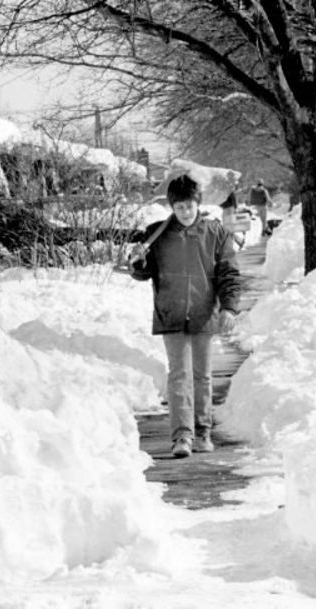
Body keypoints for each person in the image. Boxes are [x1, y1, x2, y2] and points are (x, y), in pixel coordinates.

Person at [130, 175, 241, 458]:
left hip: (204, 314)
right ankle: (182, 436)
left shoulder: (215, 232)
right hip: (171, 312)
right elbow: (144, 273)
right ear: (172, 207)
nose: (185, 212)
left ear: (197, 203)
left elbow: (229, 273)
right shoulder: (157, 234)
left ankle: (202, 431)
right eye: (179, 207)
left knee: (202, 376)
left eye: (189, 206)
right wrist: (138, 261)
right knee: (179, 375)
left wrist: (229, 307)